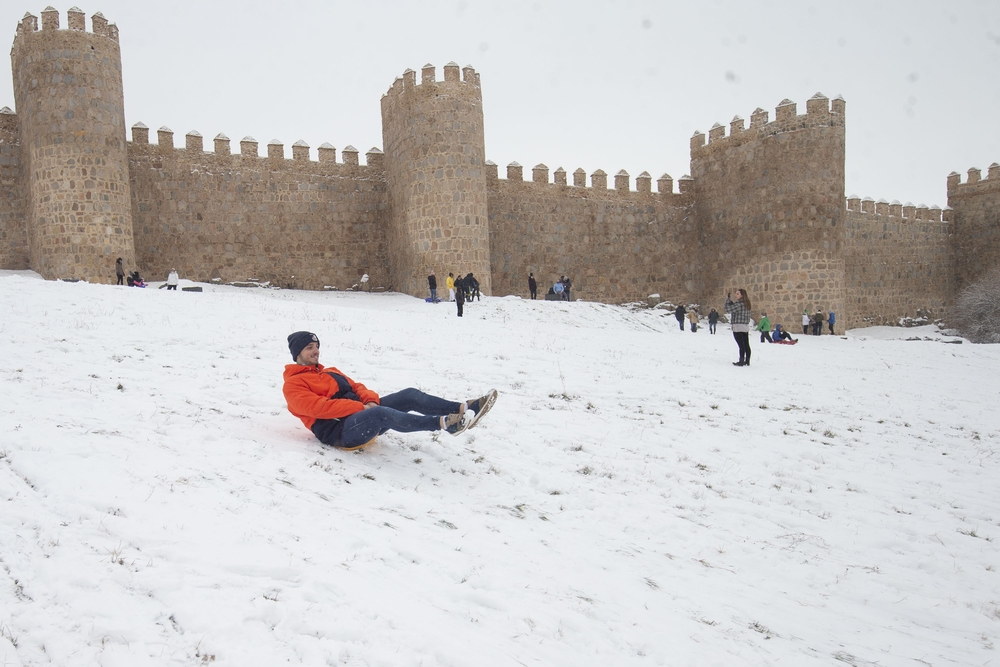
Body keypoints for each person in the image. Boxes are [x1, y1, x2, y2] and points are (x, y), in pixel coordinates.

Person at [283, 331, 498, 449]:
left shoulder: (330, 371)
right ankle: (445, 424)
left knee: (409, 394)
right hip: (339, 433)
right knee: (380, 414)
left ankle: (465, 408)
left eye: (317, 346)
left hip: (363, 416)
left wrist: (371, 402)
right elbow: (320, 408)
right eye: (309, 348)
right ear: (297, 354)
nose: (316, 351)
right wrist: (362, 408)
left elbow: (357, 387)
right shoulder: (293, 384)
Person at [724, 288, 752, 367]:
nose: (736, 295)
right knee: (746, 344)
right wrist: (730, 301)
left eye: (737, 294)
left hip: (738, 326)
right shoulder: (747, 304)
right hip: (745, 326)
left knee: (741, 345)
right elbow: (733, 307)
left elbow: (728, 309)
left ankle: (741, 360)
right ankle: (747, 360)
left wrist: (727, 300)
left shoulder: (739, 304)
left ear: (742, 295)